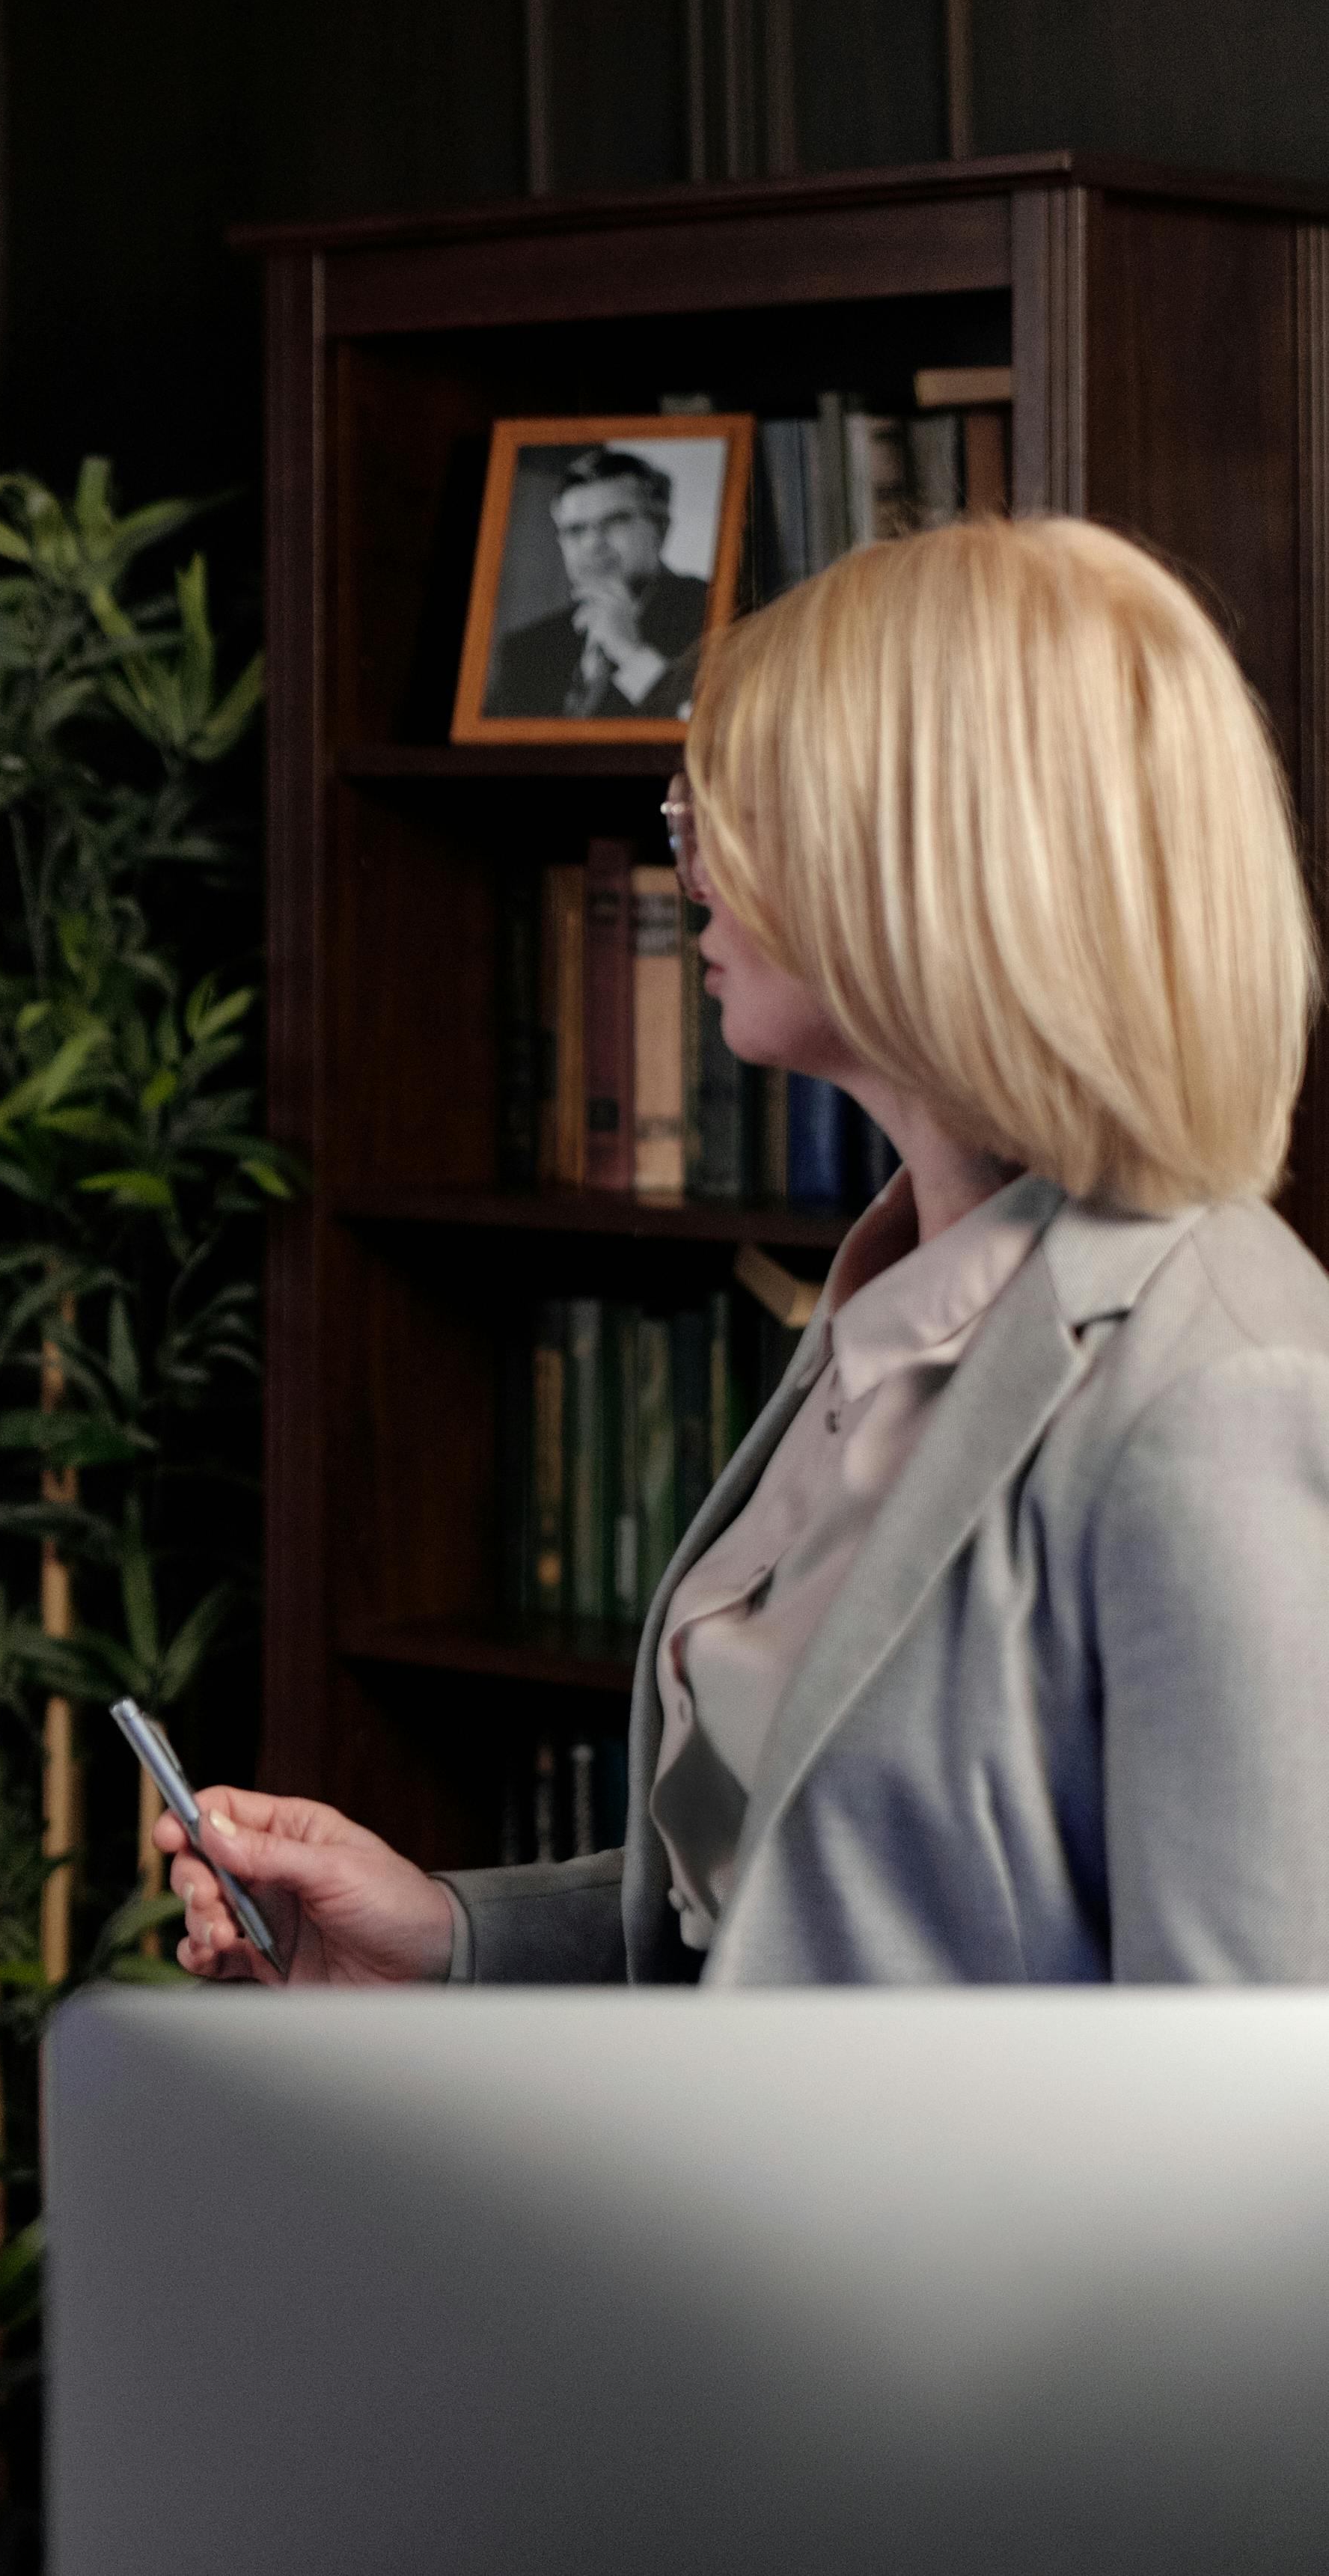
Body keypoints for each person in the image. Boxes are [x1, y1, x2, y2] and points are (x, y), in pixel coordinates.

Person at [180, 513, 1329, 1988]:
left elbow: (1257, 2131)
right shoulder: (897, 1299)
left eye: (727, 809)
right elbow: (797, 1890)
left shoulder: (1221, 1397)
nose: (686, 867)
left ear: (924, 856)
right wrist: (449, 1937)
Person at [483, 446, 712, 719]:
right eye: (576, 530)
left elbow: (719, 730)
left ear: (661, 528)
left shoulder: (714, 611)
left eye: (615, 522)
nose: (593, 544)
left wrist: (631, 653)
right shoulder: (526, 649)